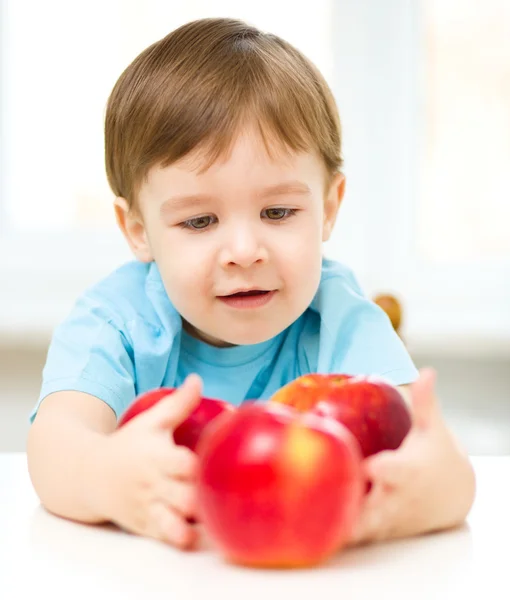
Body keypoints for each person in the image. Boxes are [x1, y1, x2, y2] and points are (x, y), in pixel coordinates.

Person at [26, 17, 475, 551]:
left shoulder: (339, 319)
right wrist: (102, 477)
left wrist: (414, 496)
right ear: (138, 231)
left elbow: (452, 477)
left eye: (278, 211)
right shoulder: (115, 321)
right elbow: (53, 446)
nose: (243, 252)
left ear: (328, 208)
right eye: (199, 222)